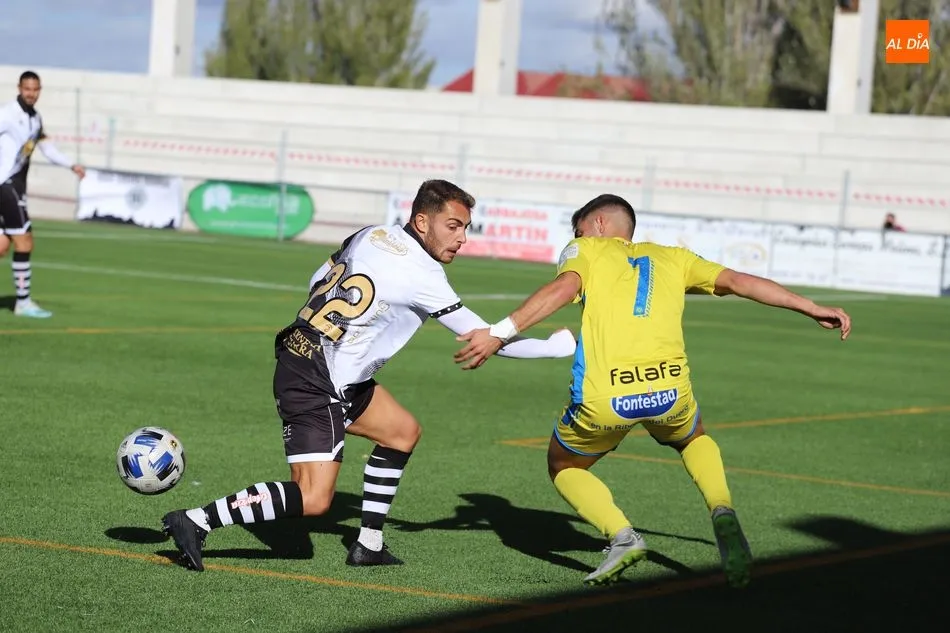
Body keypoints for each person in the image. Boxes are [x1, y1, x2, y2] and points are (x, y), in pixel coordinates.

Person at [161, 179, 576, 571]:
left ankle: (369, 544)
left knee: (401, 432)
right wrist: (555, 348)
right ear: (421, 221)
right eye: (453, 226)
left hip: (320, 361)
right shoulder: (425, 276)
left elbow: (318, 276)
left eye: (466, 228)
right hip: (318, 376)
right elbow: (485, 338)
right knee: (314, 498)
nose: (462, 238)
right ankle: (196, 520)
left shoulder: (370, 233)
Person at [454, 194, 852, 588]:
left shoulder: (584, 248)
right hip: (668, 390)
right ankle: (721, 508)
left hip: (607, 397)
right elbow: (739, 281)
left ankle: (622, 537)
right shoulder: (673, 258)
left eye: (579, 230)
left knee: (565, 467)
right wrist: (810, 307)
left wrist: (499, 333)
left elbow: (565, 286)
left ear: (598, 225)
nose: (575, 239)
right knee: (692, 437)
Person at [0, 70, 86, 318]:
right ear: (19, 88)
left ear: (40, 90)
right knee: (25, 241)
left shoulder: (35, 120)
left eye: (35, 89)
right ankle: (23, 303)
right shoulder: (7, 114)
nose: (31, 93)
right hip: (5, 186)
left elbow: (48, 148)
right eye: (27, 89)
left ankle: (23, 302)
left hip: (15, 187)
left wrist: (72, 164)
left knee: (3, 246)